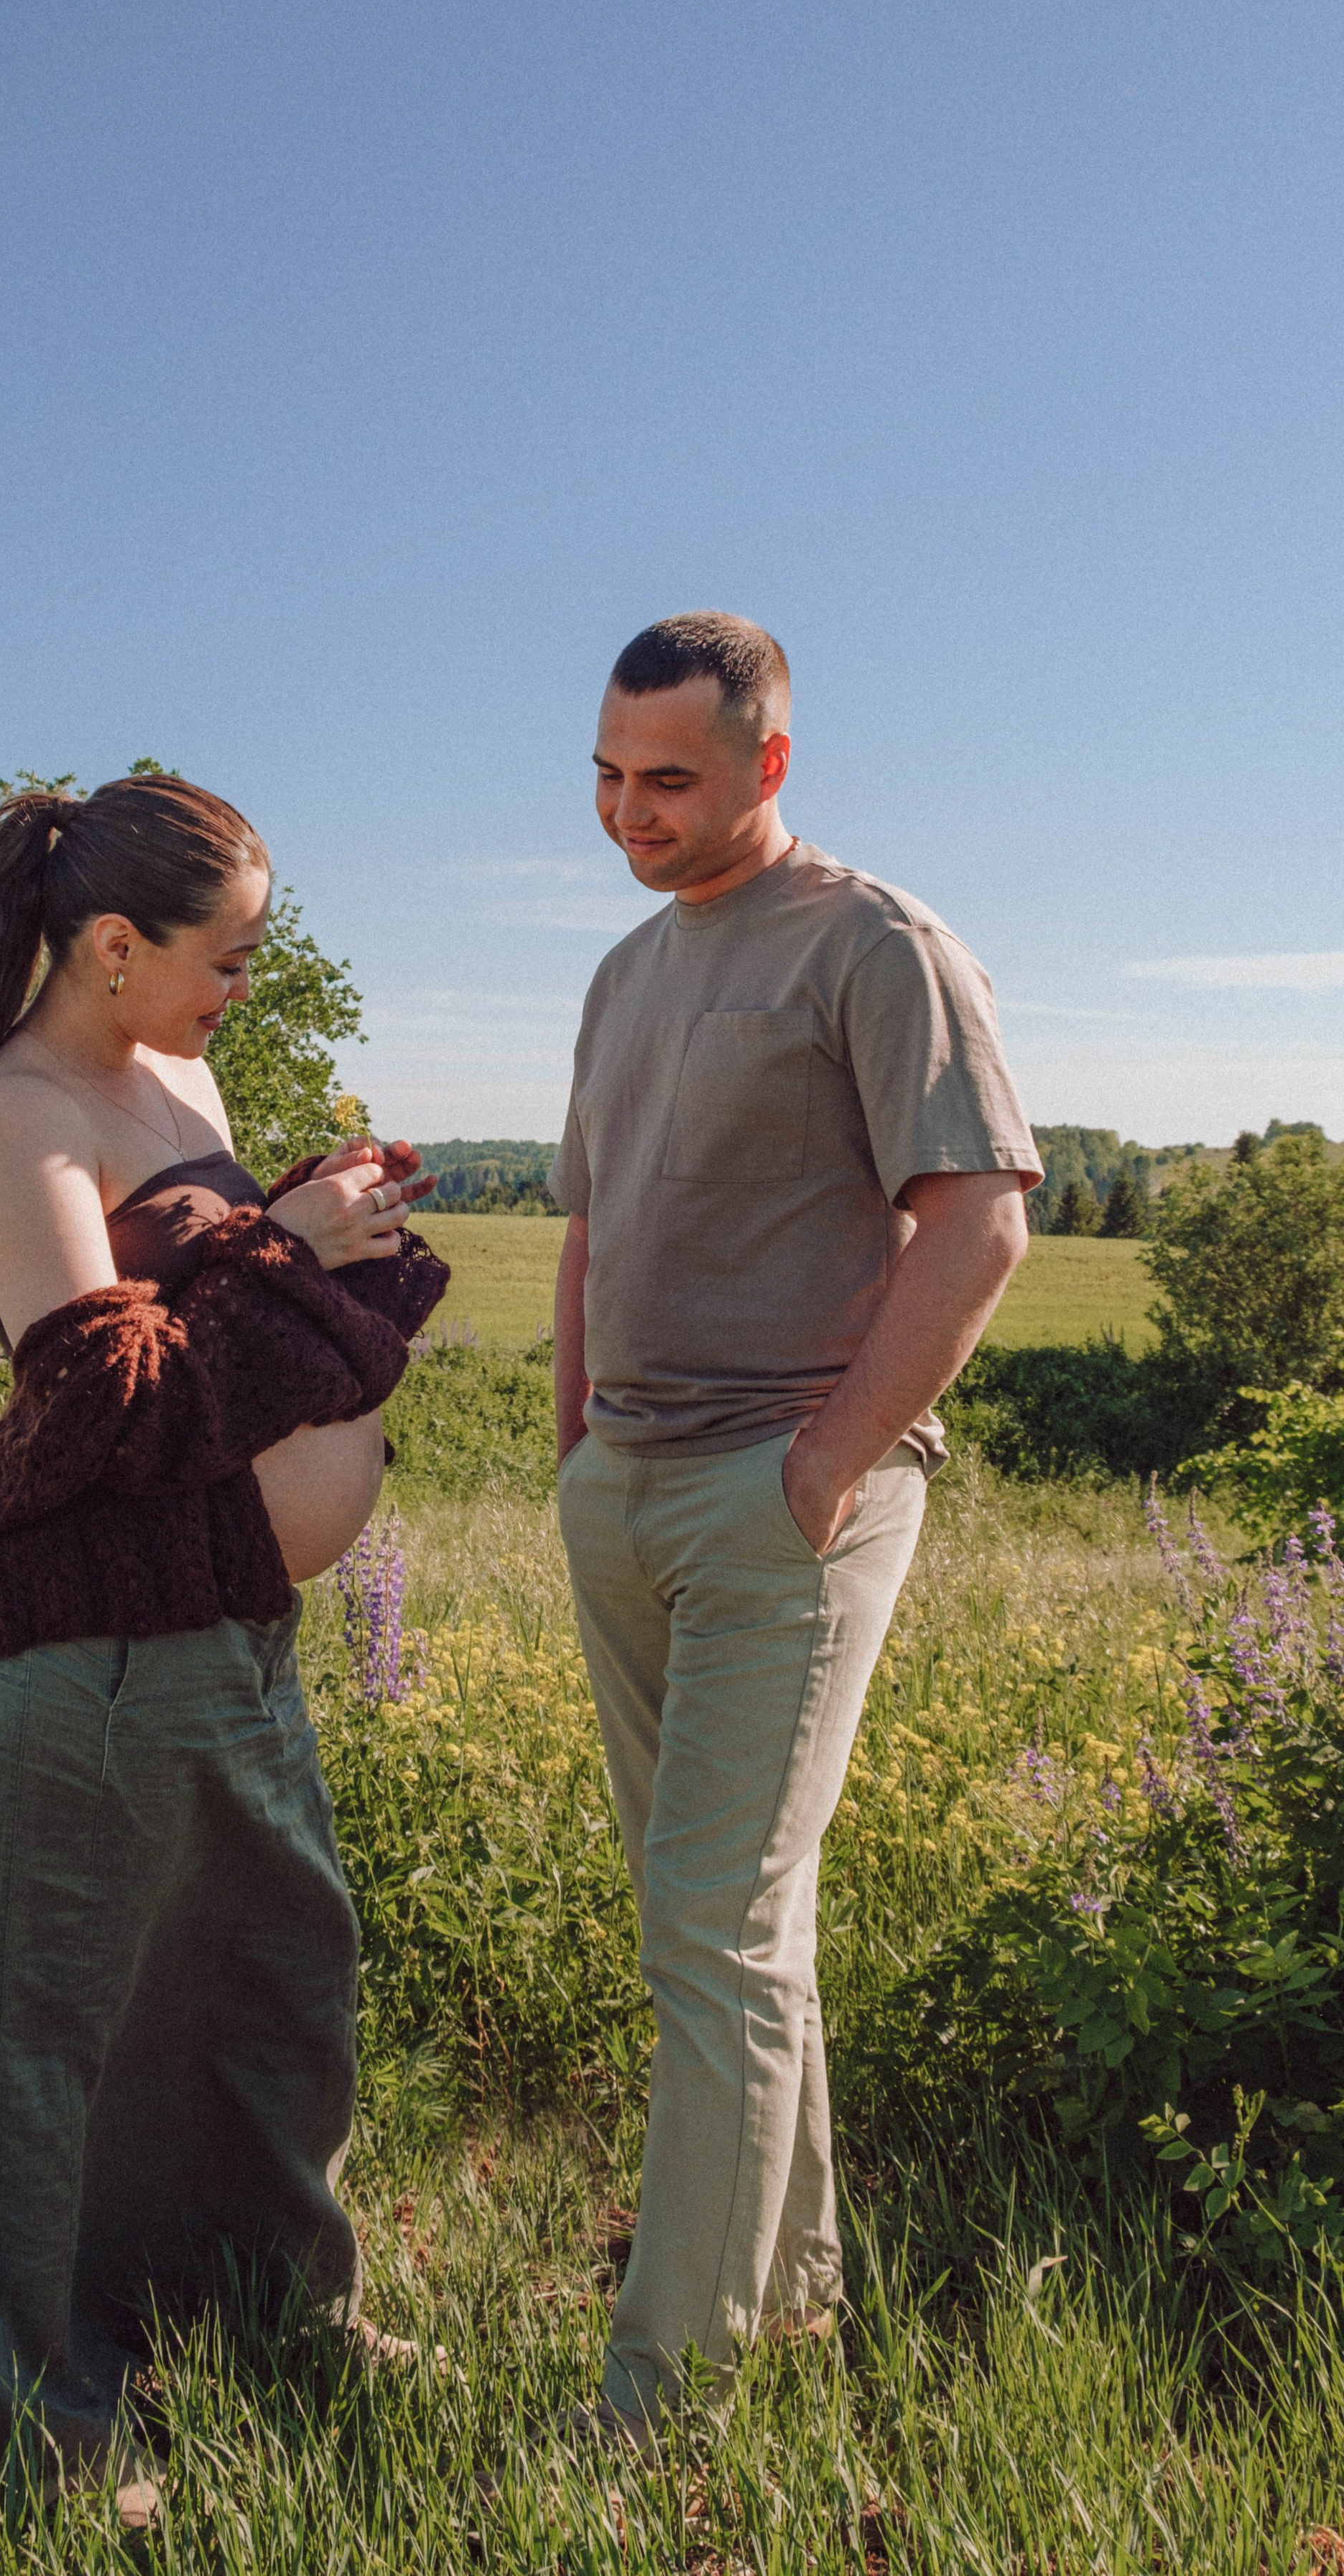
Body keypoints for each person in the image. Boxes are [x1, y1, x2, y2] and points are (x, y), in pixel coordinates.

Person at [0, 773, 448, 2517]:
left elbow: (210, 1299)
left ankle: (248, 2323)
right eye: (224, 954)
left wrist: (316, 1227)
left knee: (258, 2005)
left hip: (228, 1629)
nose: (243, 983)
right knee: (4, 2048)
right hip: (82, 1652)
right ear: (108, 944)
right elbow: (105, 1397)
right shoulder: (16, 1114)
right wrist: (281, 1250)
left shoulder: (177, 1069)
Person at [550, 613, 1039, 2443]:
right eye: (603, 775)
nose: (626, 811)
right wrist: (576, 1451)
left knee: (712, 1933)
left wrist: (822, 1470)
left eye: (664, 778)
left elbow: (976, 1224)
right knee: (734, 1934)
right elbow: (588, 1232)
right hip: (626, 1493)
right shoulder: (620, 972)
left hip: (784, 1506)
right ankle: (797, 2303)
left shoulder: (873, 944)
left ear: (767, 761)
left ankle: (655, 2410)